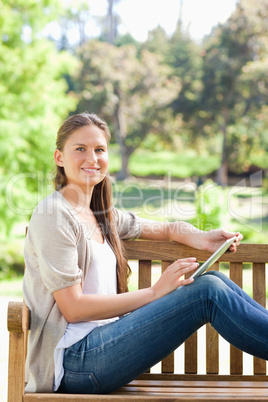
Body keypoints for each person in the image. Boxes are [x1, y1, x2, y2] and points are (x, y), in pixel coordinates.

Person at [23, 113, 267, 395]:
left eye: (100, 150)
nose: (92, 158)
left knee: (215, 282)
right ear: (59, 157)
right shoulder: (53, 215)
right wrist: (155, 292)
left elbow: (163, 229)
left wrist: (202, 238)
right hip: (74, 362)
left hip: (103, 347)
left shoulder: (100, 214)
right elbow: (74, 309)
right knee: (208, 291)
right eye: (80, 149)